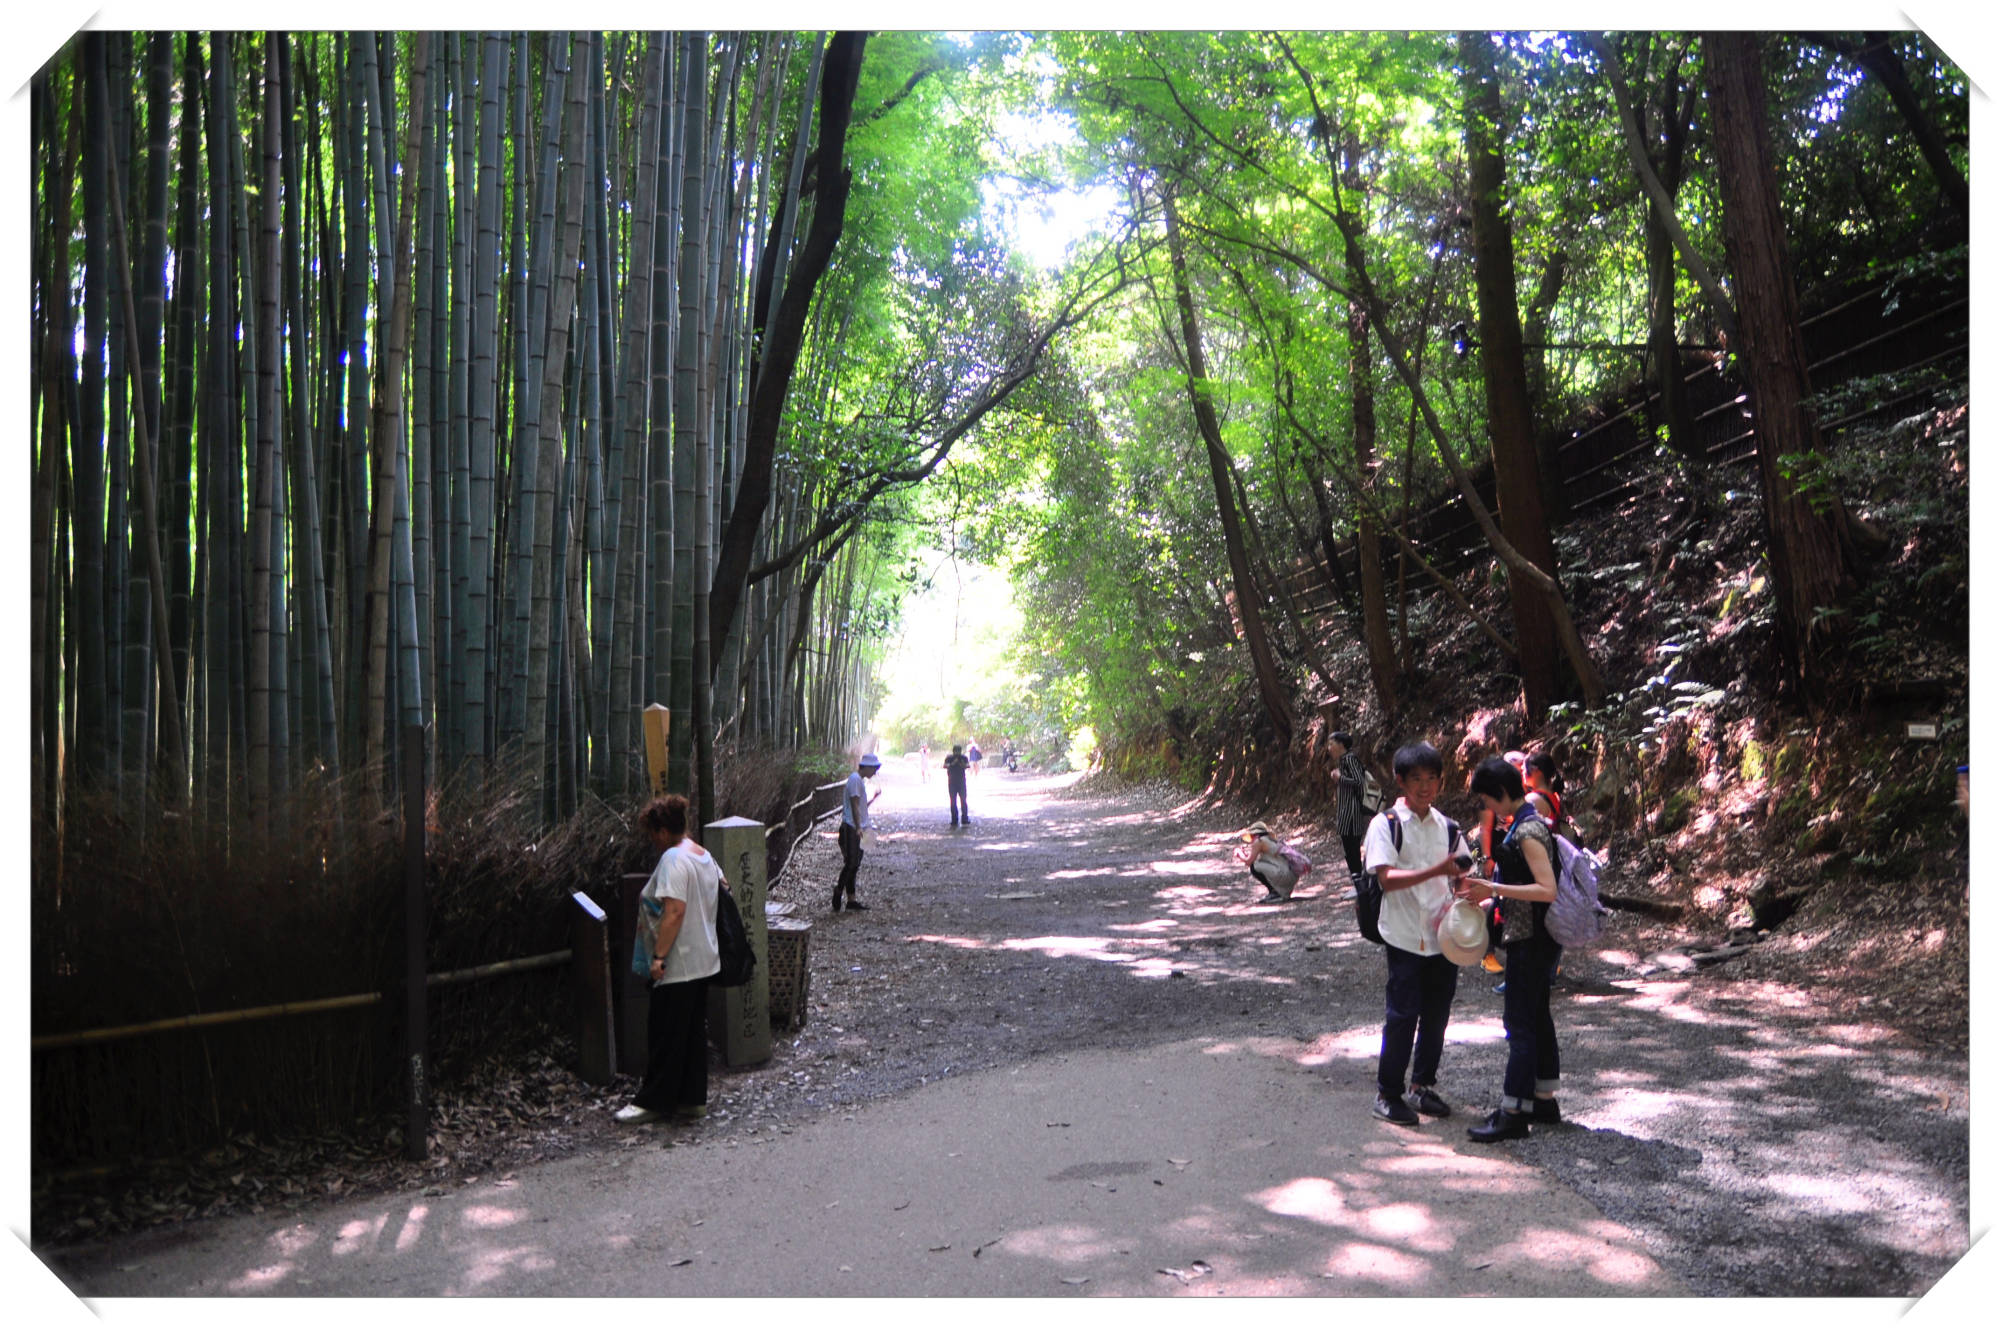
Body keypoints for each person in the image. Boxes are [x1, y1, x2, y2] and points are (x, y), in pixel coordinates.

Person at [1363, 741, 1472, 1126]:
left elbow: (1462, 877)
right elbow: (1387, 879)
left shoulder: (1449, 827)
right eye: (1416, 779)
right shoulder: (1386, 825)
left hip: (1443, 937)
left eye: (1431, 779)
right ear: (1400, 781)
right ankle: (1388, 1092)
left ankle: (1421, 1086)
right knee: (1402, 1015)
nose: (1424, 787)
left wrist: (1469, 895)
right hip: (1405, 935)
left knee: (1437, 1015)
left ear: (1441, 782)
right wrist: (1439, 871)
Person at [1455, 756, 1564, 1141]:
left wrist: (1495, 890)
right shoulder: (1522, 823)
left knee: (1519, 1023)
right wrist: (1488, 896)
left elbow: (1545, 889)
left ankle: (1513, 1112)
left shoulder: (1528, 830)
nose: (1487, 807)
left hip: (1531, 940)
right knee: (1536, 1017)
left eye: (1487, 799)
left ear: (1500, 794)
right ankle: (1543, 1099)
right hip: (1535, 937)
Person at [616, 795, 722, 1125]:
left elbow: (674, 911)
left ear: (662, 831)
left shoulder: (674, 859)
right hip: (705, 958)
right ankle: (692, 1099)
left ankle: (652, 1101)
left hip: (680, 961)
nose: (652, 841)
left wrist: (658, 957)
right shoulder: (701, 854)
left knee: (664, 1033)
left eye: (652, 834)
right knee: (690, 1034)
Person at [833, 753, 880, 912]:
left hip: (860, 826)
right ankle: (838, 891)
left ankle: (851, 900)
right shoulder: (854, 779)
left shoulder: (858, 781)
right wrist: (858, 827)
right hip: (852, 827)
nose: (875, 772)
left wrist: (873, 799)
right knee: (851, 863)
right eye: (874, 768)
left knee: (855, 864)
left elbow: (860, 806)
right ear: (866, 766)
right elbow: (853, 805)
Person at [1331, 731, 1368, 881]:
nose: (1328, 748)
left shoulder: (1350, 759)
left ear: (1341, 745)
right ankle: (1357, 881)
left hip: (1352, 812)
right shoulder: (1344, 760)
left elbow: (1359, 781)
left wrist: (1340, 778)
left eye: (1331, 744)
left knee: (1352, 848)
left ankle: (1359, 881)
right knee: (1348, 848)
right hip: (1346, 811)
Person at [1237, 820, 1297, 901]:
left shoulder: (1259, 841)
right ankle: (1278, 892)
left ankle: (1275, 892)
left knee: (1255, 866)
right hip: (1290, 875)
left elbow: (1249, 861)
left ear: (1254, 834)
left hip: (1283, 875)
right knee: (1258, 864)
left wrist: (1239, 854)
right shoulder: (1269, 840)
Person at [943, 743, 970, 826]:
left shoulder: (963, 758)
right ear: (954, 751)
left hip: (961, 782)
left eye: (959, 751)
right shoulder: (949, 758)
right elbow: (945, 766)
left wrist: (962, 764)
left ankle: (964, 818)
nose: (957, 753)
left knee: (963, 801)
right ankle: (954, 819)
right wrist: (953, 763)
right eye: (956, 751)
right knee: (953, 801)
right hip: (952, 782)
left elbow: (967, 766)